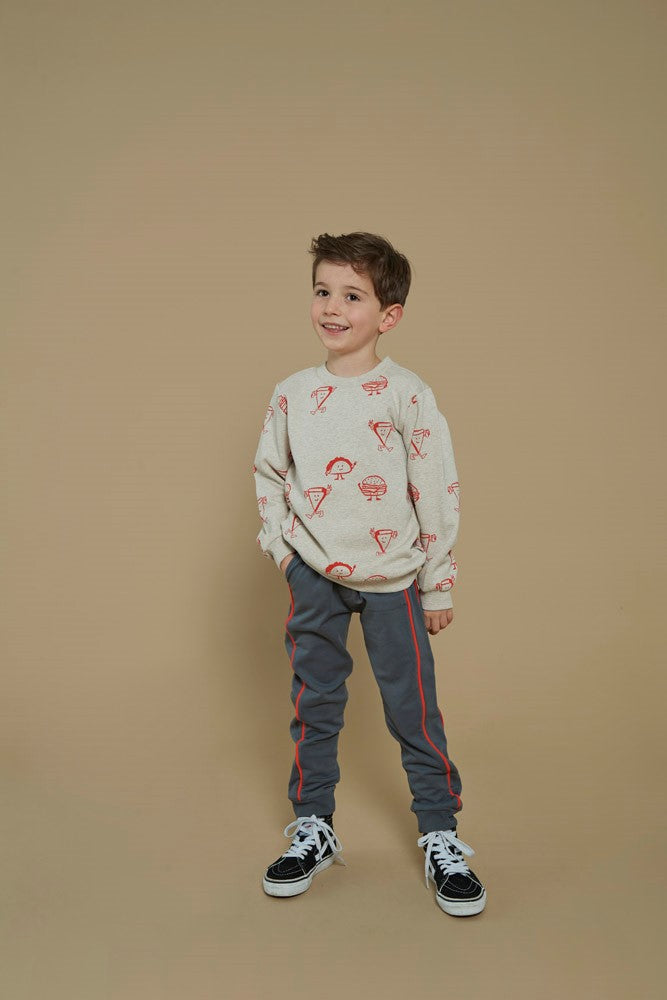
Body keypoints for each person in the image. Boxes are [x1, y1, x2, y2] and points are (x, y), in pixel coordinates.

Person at [252, 231, 486, 917]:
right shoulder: (293, 394)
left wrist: (437, 582)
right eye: (322, 291)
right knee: (314, 704)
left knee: (412, 710)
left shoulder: (407, 395)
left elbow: (434, 489)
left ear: (388, 315)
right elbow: (269, 475)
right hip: (314, 577)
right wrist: (285, 555)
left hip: (394, 581)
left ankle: (440, 831)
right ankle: (313, 825)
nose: (332, 307)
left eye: (352, 296)